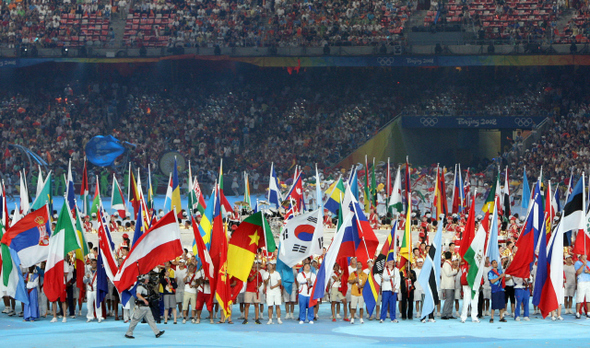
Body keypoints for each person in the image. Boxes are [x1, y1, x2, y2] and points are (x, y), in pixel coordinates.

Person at [125, 274, 165, 339]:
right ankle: (129, 333)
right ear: (144, 280)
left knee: (151, 320)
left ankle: (157, 332)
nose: (148, 280)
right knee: (135, 320)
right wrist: (144, 300)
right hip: (141, 306)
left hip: (146, 307)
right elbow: (138, 295)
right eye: (147, 279)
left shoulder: (145, 286)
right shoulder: (140, 287)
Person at [84, 259, 102, 323]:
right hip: (89, 290)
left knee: (98, 304)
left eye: (95, 263)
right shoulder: (88, 272)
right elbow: (84, 281)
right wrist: (87, 278)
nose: (94, 264)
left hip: (96, 290)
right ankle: (89, 317)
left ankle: (99, 316)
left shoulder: (99, 272)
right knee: (89, 304)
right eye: (93, 263)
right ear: (91, 264)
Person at [441, 251, 457, 319]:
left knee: (451, 299)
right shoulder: (446, 264)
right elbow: (448, 273)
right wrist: (455, 271)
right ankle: (444, 314)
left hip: (450, 284)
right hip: (447, 285)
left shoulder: (449, 264)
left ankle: (449, 313)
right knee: (448, 299)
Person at [574, 254, 590, 319]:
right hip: (581, 281)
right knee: (579, 298)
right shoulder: (577, 263)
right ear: (581, 256)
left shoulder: (589, 262)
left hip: (588, 281)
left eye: (586, 255)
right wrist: (583, 265)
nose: (585, 256)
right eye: (584, 255)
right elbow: (578, 272)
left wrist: (588, 272)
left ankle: (588, 312)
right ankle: (577, 313)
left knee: (589, 298)